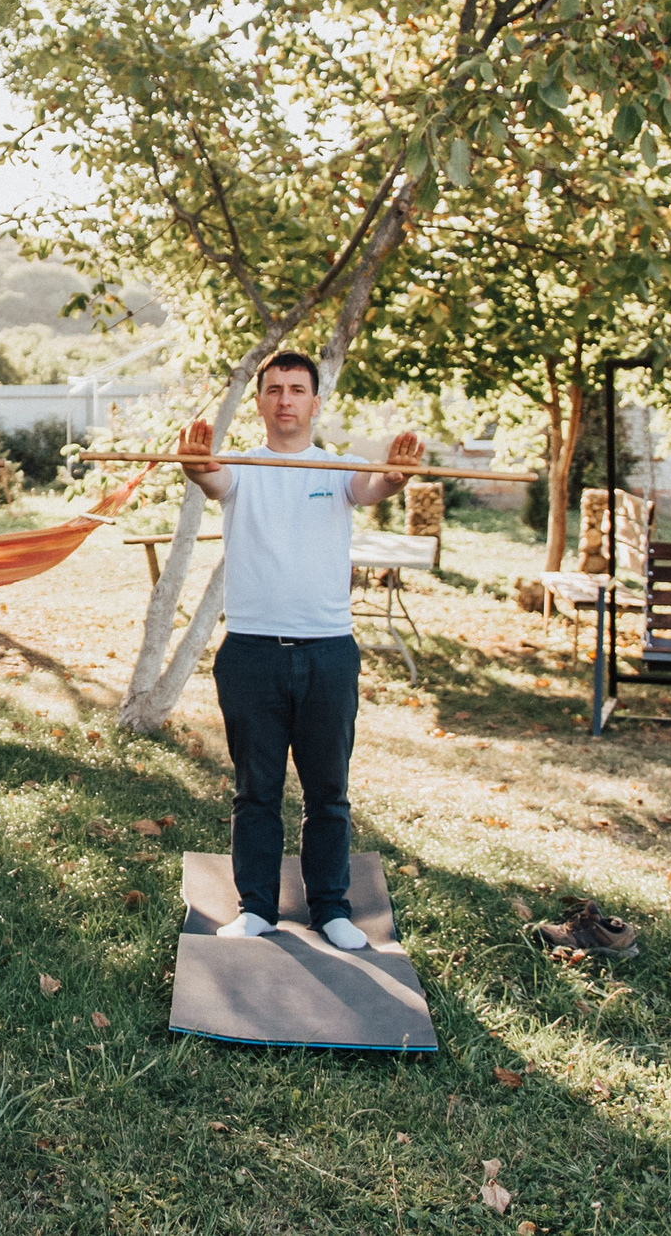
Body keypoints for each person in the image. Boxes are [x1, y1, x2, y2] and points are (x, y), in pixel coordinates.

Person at [175, 351, 418, 950]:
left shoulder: (338, 468)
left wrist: (395, 474)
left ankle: (331, 908)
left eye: (297, 389)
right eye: (275, 389)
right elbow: (211, 478)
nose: (285, 399)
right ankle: (255, 906)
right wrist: (195, 466)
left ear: (315, 402)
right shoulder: (240, 466)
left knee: (327, 791)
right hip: (252, 653)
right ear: (260, 402)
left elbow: (373, 487)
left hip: (328, 653)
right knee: (256, 789)